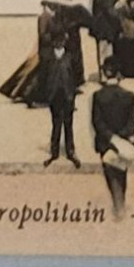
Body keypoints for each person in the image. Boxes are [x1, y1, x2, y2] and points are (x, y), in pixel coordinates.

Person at [91, 60, 134, 218]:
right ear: (119, 75)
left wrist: (111, 137)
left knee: (110, 173)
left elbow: (97, 122)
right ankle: (121, 202)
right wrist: (123, 136)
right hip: (124, 142)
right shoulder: (128, 96)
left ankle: (117, 203)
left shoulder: (98, 96)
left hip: (107, 142)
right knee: (121, 172)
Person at [42, 35, 82, 168]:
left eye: (61, 41)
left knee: (68, 124)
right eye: (57, 41)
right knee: (56, 124)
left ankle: (70, 150)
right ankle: (54, 151)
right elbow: (43, 76)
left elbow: (77, 75)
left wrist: (73, 91)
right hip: (54, 95)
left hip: (68, 94)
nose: (59, 43)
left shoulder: (70, 56)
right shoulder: (48, 57)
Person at [89, 0, 120, 74]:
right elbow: (109, 10)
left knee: (108, 50)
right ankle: (104, 73)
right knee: (103, 52)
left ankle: (109, 72)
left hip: (107, 27)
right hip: (102, 28)